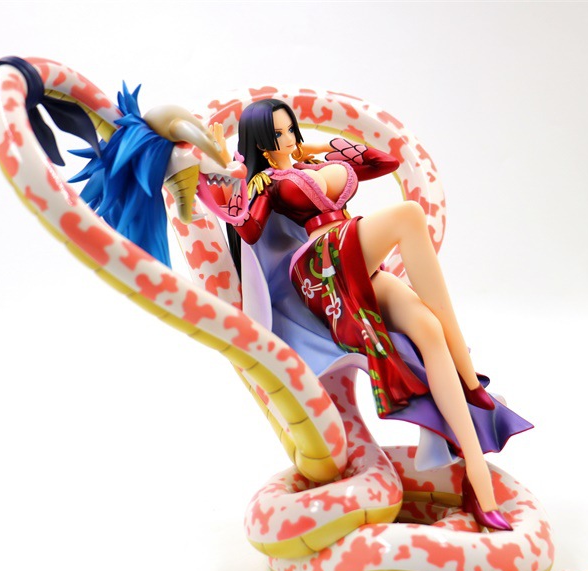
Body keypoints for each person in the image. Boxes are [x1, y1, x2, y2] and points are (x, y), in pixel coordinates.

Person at [222, 98, 532, 532]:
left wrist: (315, 148)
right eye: (277, 133)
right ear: (259, 140)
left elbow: (382, 161)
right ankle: (469, 378)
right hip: (321, 265)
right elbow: (248, 229)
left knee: (428, 329)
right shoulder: (267, 182)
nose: (288, 138)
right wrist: (232, 189)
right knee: (408, 215)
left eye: (290, 128)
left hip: (357, 260)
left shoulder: (311, 165)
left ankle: (478, 484)